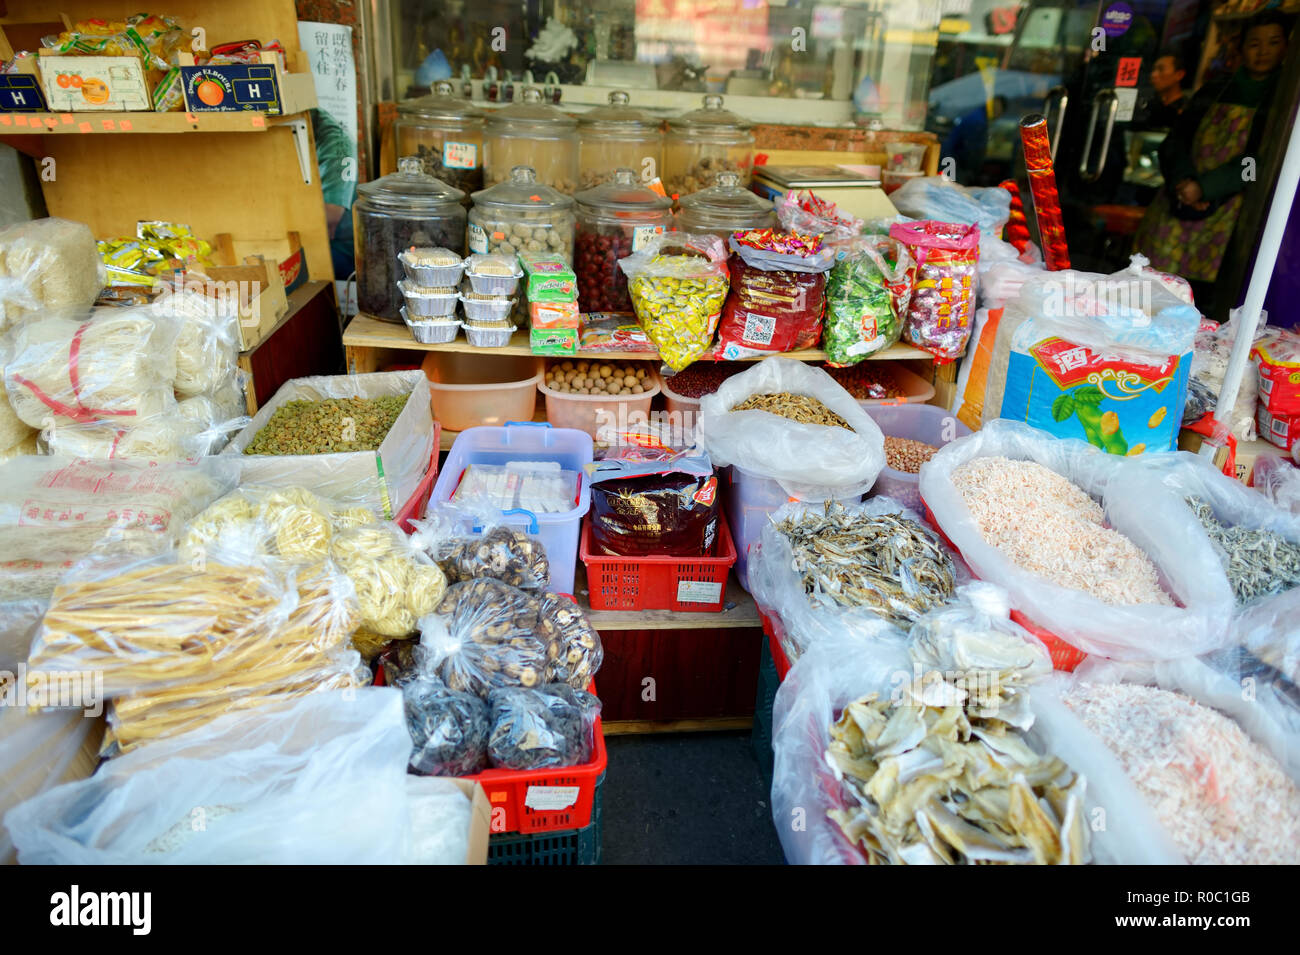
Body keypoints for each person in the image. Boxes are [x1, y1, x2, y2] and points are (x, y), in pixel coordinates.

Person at [1135, 12, 1290, 308]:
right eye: (1254, 43)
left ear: (1286, 48)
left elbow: (1260, 162)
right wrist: (1184, 182)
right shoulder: (1215, 88)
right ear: (1240, 48)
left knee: (1200, 303)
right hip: (1179, 200)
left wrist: (1205, 189)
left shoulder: (1282, 100)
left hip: (1230, 212)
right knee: (1151, 289)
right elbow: (1175, 140)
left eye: (1273, 43)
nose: (1262, 51)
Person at [1147, 49, 1188, 128]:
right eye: (1153, 70)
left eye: (1161, 70)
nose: (1153, 75)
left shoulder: (1186, 110)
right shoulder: (1151, 104)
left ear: (1179, 75)